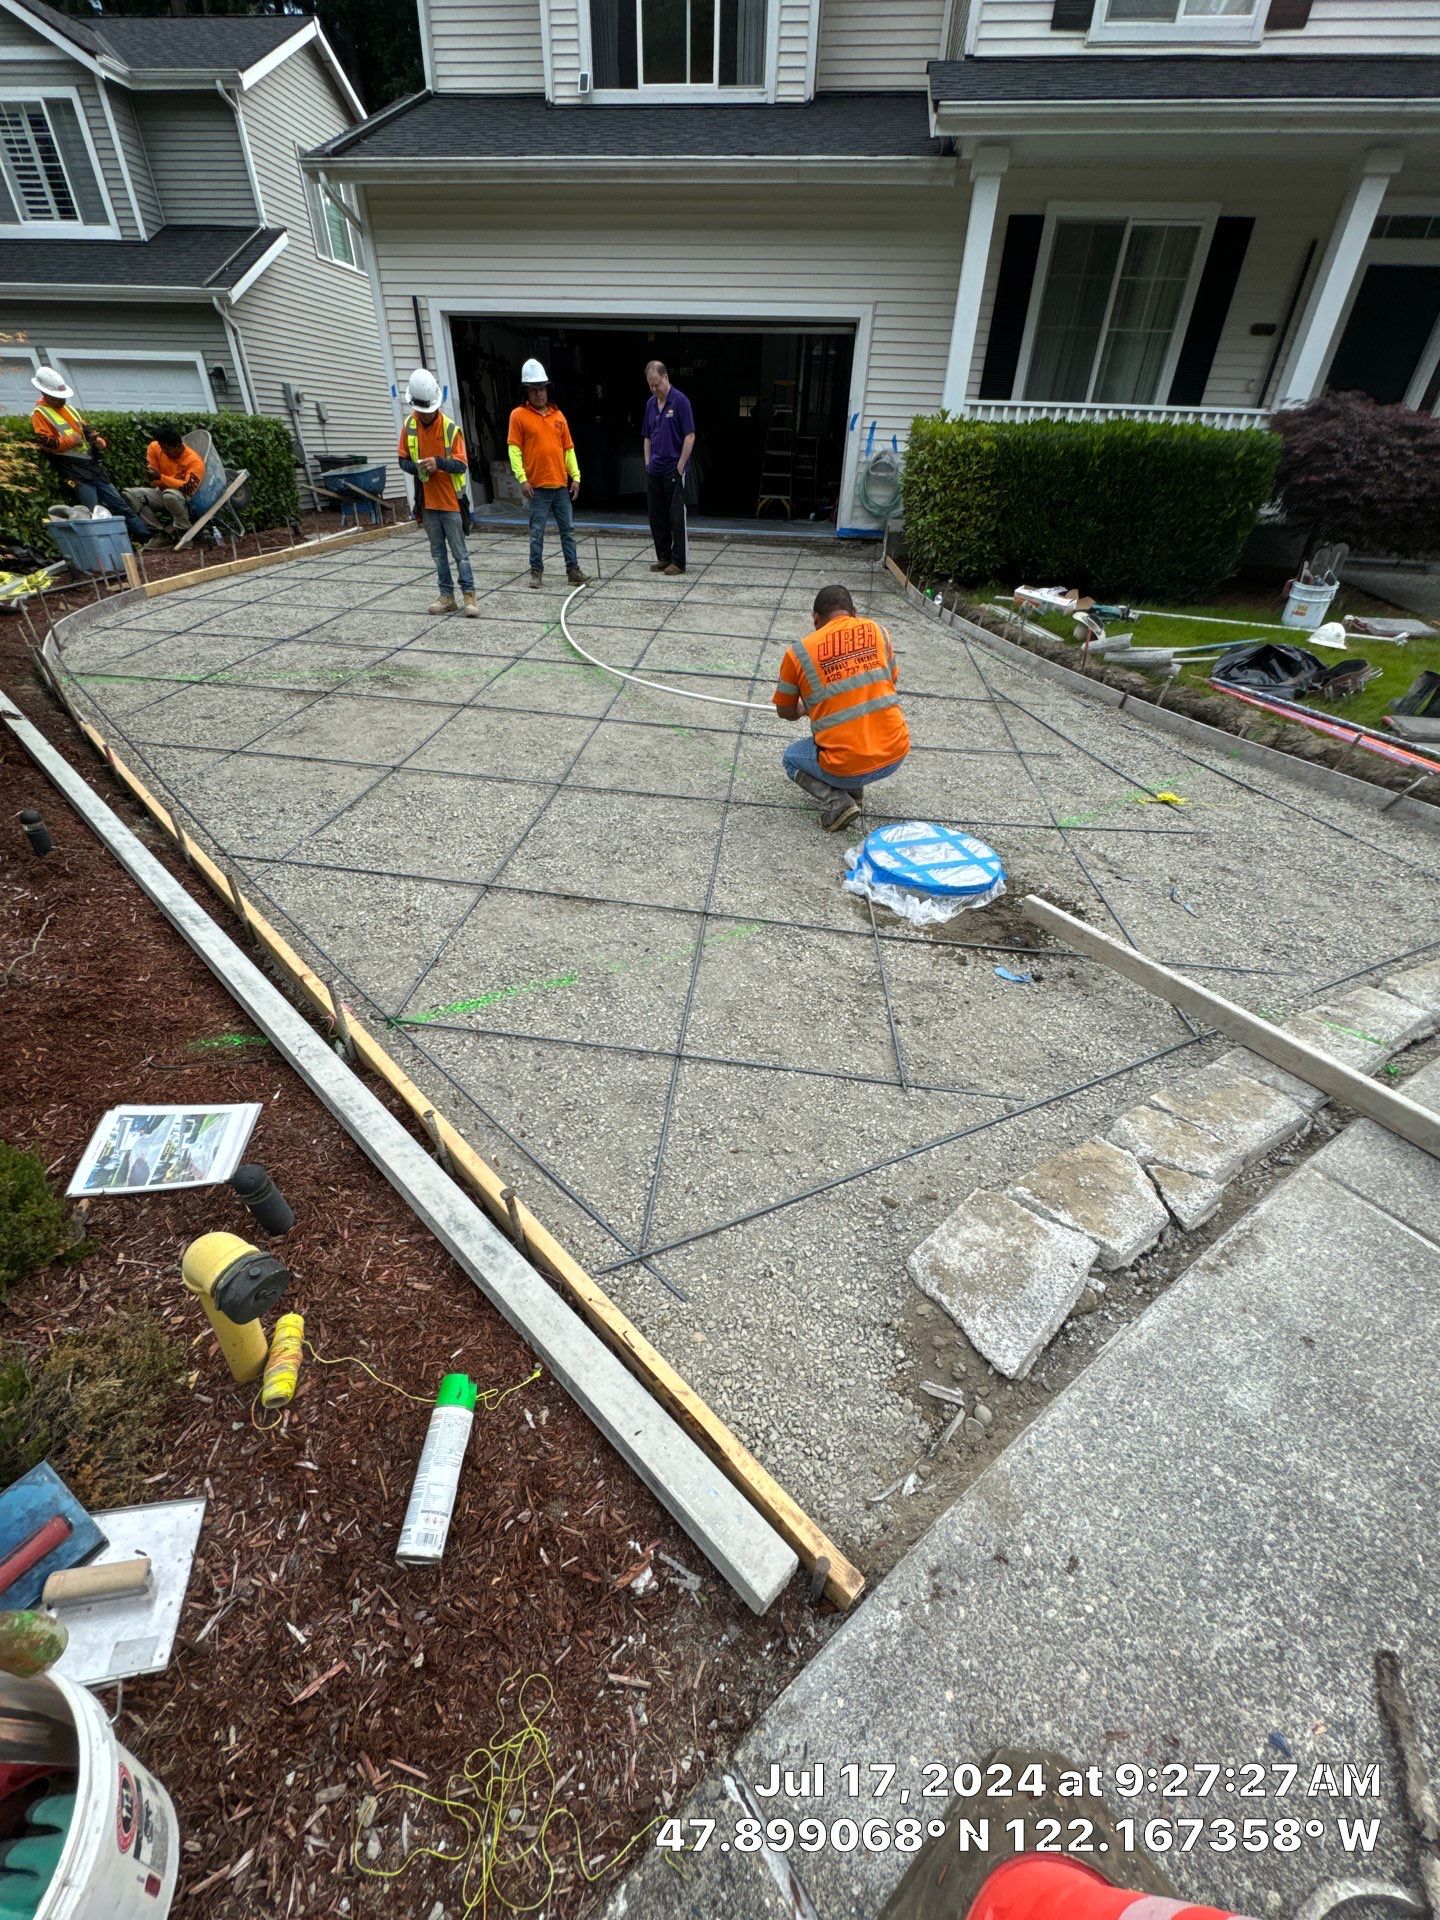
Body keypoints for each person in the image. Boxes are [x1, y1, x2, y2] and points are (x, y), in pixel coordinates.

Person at [772, 585, 910, 833]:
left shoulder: (798, 652)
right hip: (895, 755)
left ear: (815, 619)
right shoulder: (879, 631)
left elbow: (785, 711)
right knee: (856, 731)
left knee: (791, 759)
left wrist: (805, 708)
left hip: (846, 766)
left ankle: (840, 801)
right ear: (854, 612)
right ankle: (855, 795)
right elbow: (891, 680)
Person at [29, 367, 151, 544]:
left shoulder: (69, 409)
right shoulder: (39, 414)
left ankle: (145, 537)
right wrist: (70, 440)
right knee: (92, 513)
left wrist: (96, 439)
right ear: (45, 393)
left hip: (92, 467)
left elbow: (84, 429)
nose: (62, 399)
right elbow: (45, 444)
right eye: (58, 396)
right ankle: (105, 549)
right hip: (73, 470)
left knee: (119, 504)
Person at [396, 367, 477, 617]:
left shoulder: (451, 429)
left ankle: (469, 596)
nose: (425, 415)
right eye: (421, 411)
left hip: (451, 502)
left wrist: (438, 462)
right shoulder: (409, 426)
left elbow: (462, 465)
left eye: (428, 411)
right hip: (428, 504)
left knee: (460, 554)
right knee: (438, 554)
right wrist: (418, 468)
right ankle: (446, 597)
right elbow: (402, 461)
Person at [507, 359, 588, 592]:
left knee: (568, 531)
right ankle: (536, 572)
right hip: (537, 487)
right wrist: (521, 478)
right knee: (537, 533)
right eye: (533, 390)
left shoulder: (558, 416)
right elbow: (514, 449)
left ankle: (573, 570)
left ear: (547, 390)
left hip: (560, 485)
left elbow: (568, 449)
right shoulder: (518, 416)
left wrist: (576, 476)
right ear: (526, 392)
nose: (539, 394)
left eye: (541, 389)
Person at [642, 360, 695, 576]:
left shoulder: (681, 401)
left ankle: (679, 561)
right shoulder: (650, 404)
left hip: (674, 468)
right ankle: (663, 556)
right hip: (654, 468)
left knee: (676, 517)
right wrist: (647, 463)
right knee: (656, 516)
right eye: (651, 386)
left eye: (657, 384)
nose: (655, 389)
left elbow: (690, 435)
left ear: (666, 378)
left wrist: (680, 466)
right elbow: (647, 437)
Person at [123, 424, 207, 538]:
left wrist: (161, 478)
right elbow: (154, 481)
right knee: (130, 495)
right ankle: (159, 533)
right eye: (161, 448)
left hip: (184, 497)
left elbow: (188, 488)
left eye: (167, 449)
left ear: (178, 446)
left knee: (170, 495)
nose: (163, 451)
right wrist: (158, 478)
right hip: (162, 491)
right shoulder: (154, 447)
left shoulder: (194, 461)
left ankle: (184, 533)